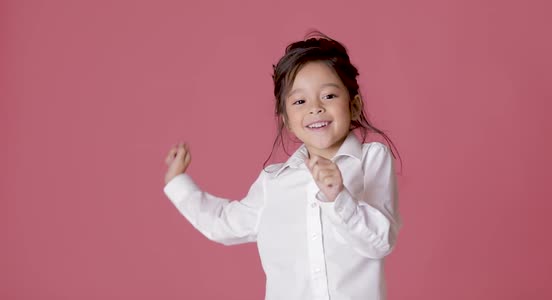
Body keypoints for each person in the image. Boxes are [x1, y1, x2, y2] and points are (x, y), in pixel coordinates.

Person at [163, 32, 402, 300]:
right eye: (300, 101)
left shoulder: (371, 159)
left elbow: (380, 243)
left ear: (354, 105)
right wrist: (177, 183)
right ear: (287, 120)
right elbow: (223, 224)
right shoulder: (273, 182)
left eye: (329, 96)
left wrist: (338, 197)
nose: (315, 108)